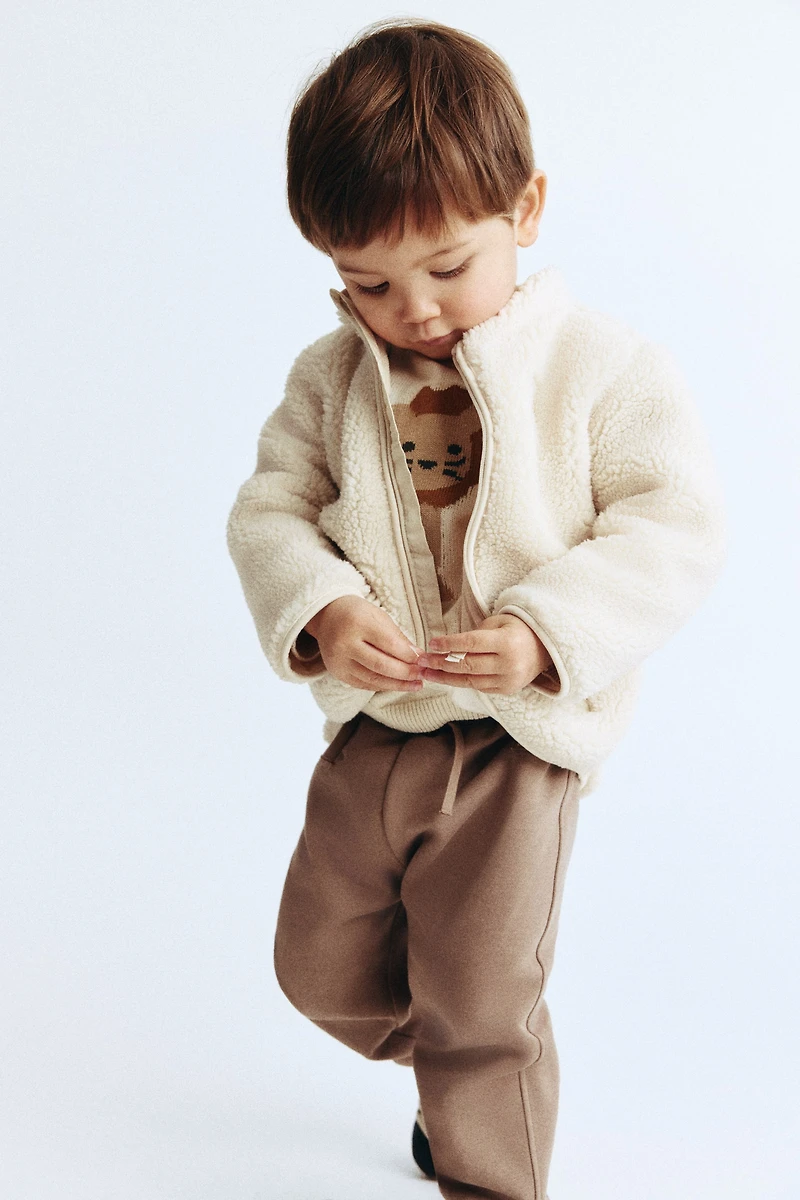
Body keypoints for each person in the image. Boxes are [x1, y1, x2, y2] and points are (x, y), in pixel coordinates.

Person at [226, 19, 726, 1200]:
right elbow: (268, 510)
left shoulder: (598, 369)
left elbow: (674, 523)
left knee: (483, 995)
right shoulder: (328, 380)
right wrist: (322, 606)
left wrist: (547, 632)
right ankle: (463, 1062)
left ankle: (484, 1138)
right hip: (377, 727)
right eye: (368, 281)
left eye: (447, 266)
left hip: (514, 748)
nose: (412, 308)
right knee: (318, 968)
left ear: (525, 208)